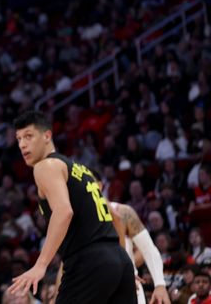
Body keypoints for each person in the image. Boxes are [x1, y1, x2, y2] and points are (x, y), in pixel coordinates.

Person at [8, 111, 135, 303]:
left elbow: (64, 211)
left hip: (88, 261)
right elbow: (115, 216)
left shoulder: (45, 166)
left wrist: (41, 265)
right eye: (18, 139)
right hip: (119, 260)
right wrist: (120, 263)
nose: (22, 144)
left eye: (28, 136)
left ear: (47, 136)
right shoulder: (81, 170)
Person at [108, 202, 169, 304]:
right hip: (97, 285)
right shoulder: (81, 211)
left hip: (130, 286)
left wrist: (159, 284)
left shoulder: (122, 211)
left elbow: (148, 249)